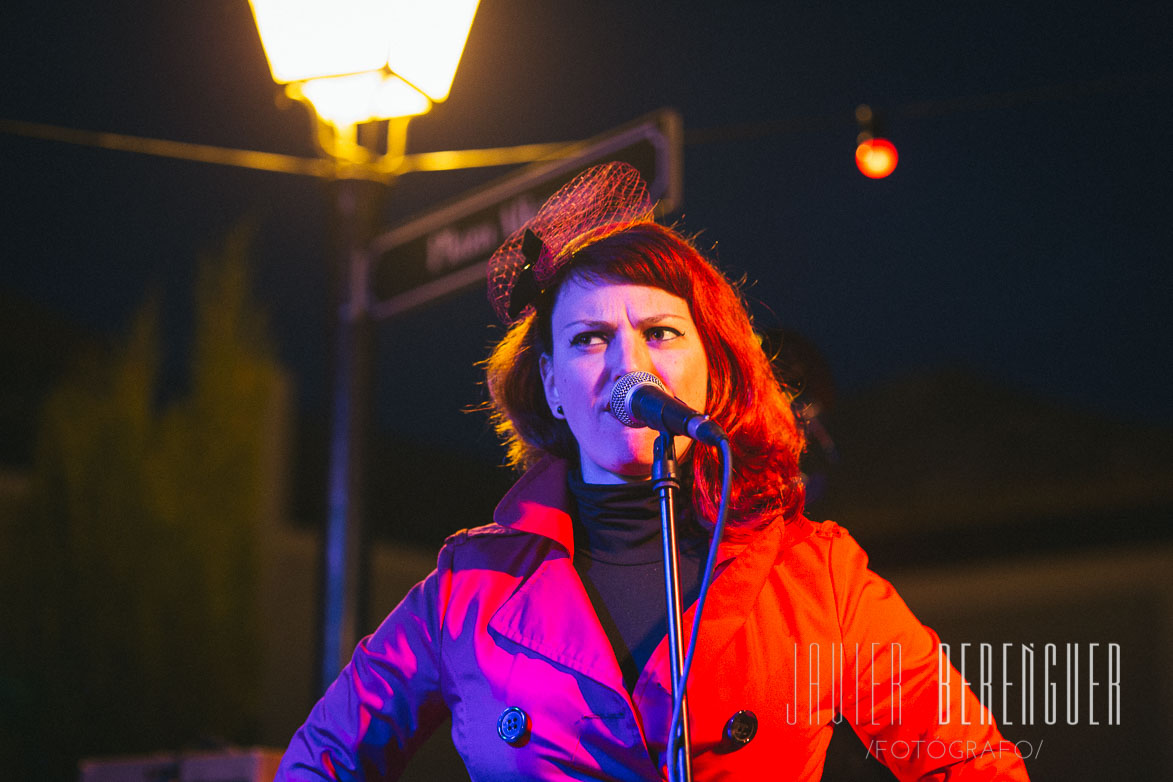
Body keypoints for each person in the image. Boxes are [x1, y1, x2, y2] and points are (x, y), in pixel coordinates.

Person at [275, 162, 1029, 780]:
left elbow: (971, 762)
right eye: (589, 338)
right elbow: (322, 760)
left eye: (661, 332)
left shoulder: (816, 575)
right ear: (551, 385)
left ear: (712, 368)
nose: (628, 366)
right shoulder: (468, 588)